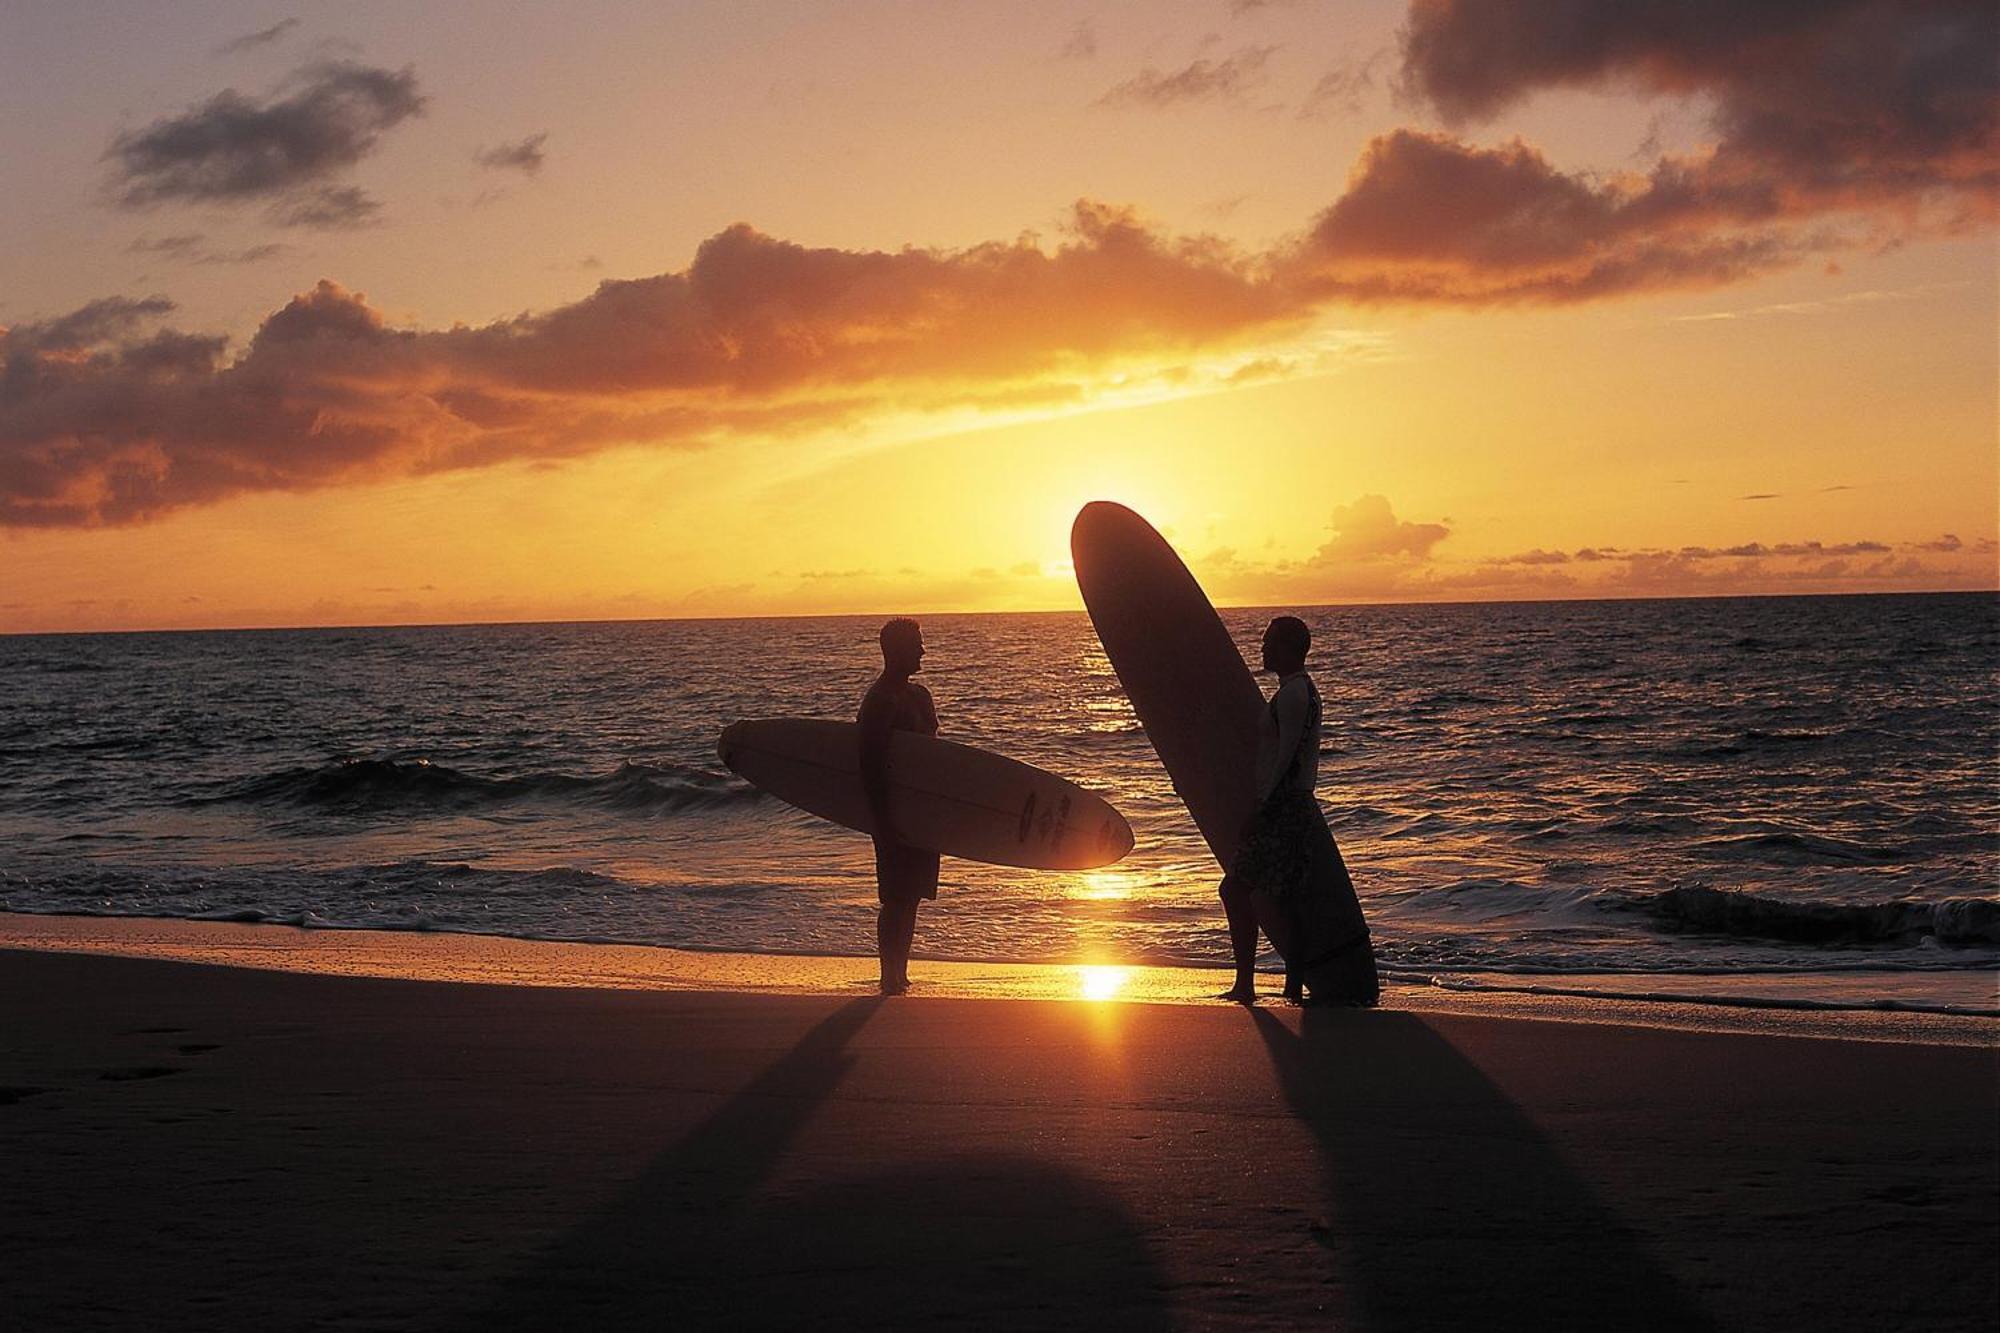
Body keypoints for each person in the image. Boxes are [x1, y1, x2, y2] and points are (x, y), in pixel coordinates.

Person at [1217, 615, 1378, 1006]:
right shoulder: (1298, 690)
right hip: (1293, 804)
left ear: (1289, 649)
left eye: (1270, 641)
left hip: (1284, 804)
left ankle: (1246, 984)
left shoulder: (1294, 694)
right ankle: (1290, 986)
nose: (1262, 646)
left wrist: (1261, 807)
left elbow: (1288, 758)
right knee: (1286, 898)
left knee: (1235, 888)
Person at [858, 618, 939, 995]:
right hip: (893, 813)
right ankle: (888, 974)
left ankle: (901, 972)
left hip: (923, 813)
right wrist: (882, 820)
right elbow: (869, 766)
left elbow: (935, 756)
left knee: (913, 894)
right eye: (916, 644)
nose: (922, 650)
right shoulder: (878, 702)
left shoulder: (920, 696)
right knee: (894, 896)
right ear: (895, 651)